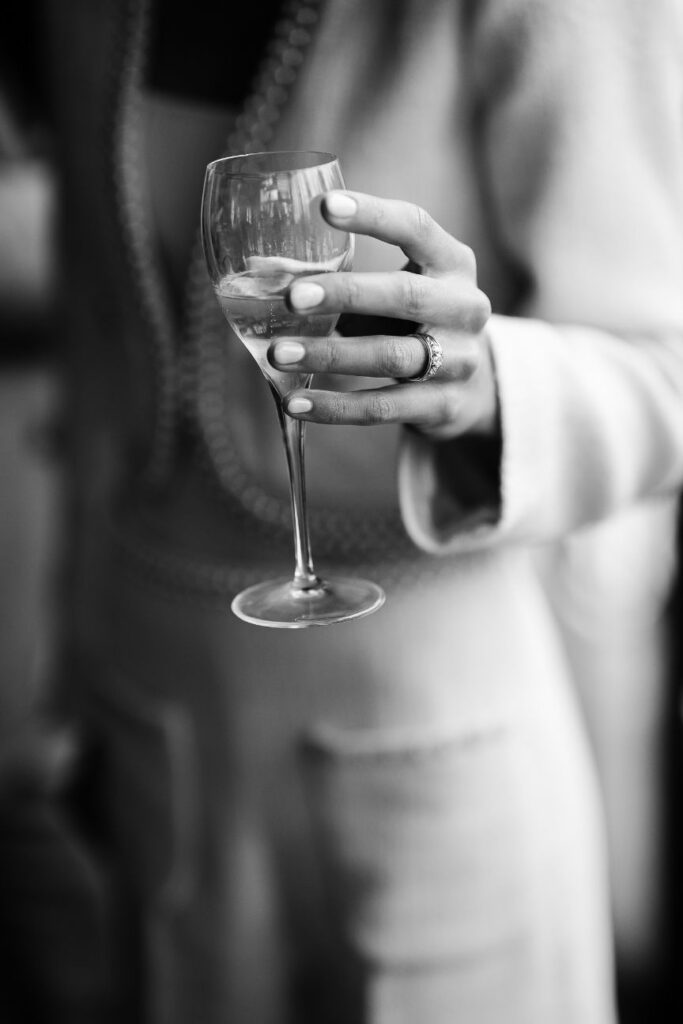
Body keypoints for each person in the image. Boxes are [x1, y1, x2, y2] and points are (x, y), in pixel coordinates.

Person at [35, 0, 683, 1021]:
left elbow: (666, 377)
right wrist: (62, 689)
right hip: (148, 714)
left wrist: (491, 388)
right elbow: (91, 356)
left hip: (426, 739)